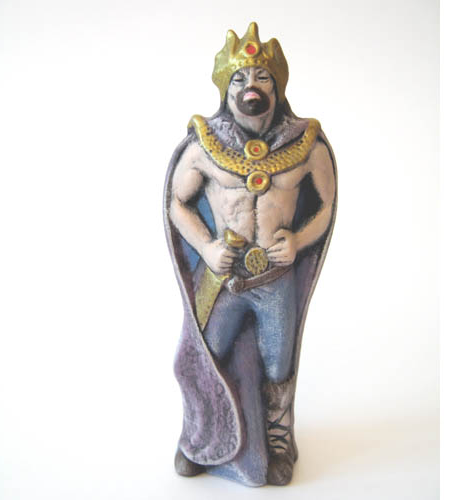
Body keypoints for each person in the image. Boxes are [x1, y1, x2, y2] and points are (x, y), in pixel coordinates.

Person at [163, 22, 337, 486]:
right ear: (226, 88)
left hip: (275, 280)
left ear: (277, 87)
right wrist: (206, 247)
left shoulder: (306, 143)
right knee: (205, 357)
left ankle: (277, 442)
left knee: (279, 363)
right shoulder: (205, 144)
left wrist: (298, 241)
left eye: (262, 77)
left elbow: (325, 205)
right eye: (239, 78)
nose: (251, 86)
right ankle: (200, 438)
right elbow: (177, 202)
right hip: (222, 280)